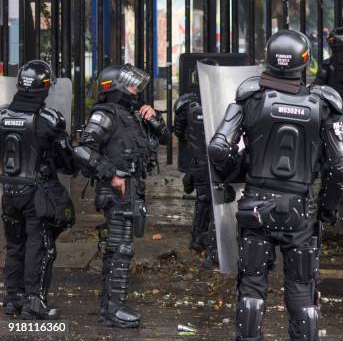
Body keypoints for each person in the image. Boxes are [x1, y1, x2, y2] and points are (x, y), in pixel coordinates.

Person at [208, 29, 343, 341]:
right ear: (304, 61)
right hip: (300, 210)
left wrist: (233, 175)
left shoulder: (250, 97)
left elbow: (218, 148)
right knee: (302, 290)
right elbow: (341, 169)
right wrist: (326, 210)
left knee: (252, 288)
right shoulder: (324, 104)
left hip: (256, 206)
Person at [73, 64, 170, 328]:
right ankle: (113, 309)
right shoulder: (106, 114)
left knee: (120, 249)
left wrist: (154, 119)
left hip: (132, 191)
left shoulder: (134, 114)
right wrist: (111, 174)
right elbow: (83, 151)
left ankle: (111, 306)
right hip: (115, 191)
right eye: (130, 86)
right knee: (120, 249)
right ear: (115, 87)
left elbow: (166, 139)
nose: (135, 90)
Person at [0, 60, 76, 319]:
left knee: (14, 245)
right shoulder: (49, 119)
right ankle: (34, 302)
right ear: (45, 87)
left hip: (9, 192)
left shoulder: (1, 115)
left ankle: (13, 299)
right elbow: (68, 161)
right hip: (37, 193)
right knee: (41, 246)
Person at [173, 82, 218, 268]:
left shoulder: (188, 104)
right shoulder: (221, 100)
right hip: (214, 160)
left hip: (199, 160)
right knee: (213, 202)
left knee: (204, 201)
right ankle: (207, 245)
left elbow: (178, 131)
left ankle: (200, 241)